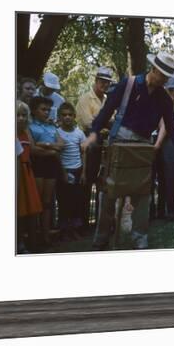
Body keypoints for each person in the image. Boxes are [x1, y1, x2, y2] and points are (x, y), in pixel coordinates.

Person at [83, 51, 174, 250]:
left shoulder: (164, 99)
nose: (165, 80)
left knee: (143, 194)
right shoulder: (129, 84)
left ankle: (140, 239)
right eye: (163, 75)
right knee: (108, 193)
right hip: (119, 141)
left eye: (169, 77)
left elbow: (173, 127)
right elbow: (107, 109)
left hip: (143, 147)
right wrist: (93, 133)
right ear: (154, 69)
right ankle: (101, 238)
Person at [75, 67, 114, 229]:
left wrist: (103, 123)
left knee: (103, 184)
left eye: (107, 83)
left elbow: (112, 120)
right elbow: (88, 123)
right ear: (96, 81)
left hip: (105, 143)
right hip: (90, 143)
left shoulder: (107, 100)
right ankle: (83, 223)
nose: (104, 85)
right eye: (102, 82)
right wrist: (104, 124)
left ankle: (99, 222)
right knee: (87, 182)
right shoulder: (85, 99)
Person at [28, 96, 65, 244]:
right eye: (43, 109)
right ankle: (33, 235)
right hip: (38, 165)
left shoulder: (52, 127)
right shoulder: (30, 126)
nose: (47, 112)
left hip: (51, 166)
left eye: (48, 110)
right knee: (36, 202)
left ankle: (46, 234)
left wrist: (45, 144)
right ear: (34, 110)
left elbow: (61, 144)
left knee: (47, 202)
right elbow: (33, 149)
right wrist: (52, 150)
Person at [56, 103, 87, 240]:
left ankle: (75, 228)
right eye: (64, 115)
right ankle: (64, 229)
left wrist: (84, 173)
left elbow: (84, 153)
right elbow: (57, 154)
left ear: (74, 116)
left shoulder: (79, 133)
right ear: (59, 117)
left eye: (70, 115)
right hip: (63, 170)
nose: (67, 117)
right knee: (63, 201)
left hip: (77, 170)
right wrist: (62, 172)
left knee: (76, 201)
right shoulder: (57, 132)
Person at [154, 75, 174, 220]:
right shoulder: (159, 102)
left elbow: (167, 126)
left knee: (170, 176)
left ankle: (171, 210)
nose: (172, 93)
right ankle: (158, 211)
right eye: (169, 90)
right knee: (159, 176)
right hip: (157, 139)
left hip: (172, 142)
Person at [16, 100, 43, 253]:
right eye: (17, 115)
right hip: (17, 173)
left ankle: (28, 242)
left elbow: (31, 150)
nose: (21, 118)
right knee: (18, 211)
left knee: (29, 211)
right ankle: (18, 242)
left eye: (24, 115)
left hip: (27, 173)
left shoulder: (26, 133)